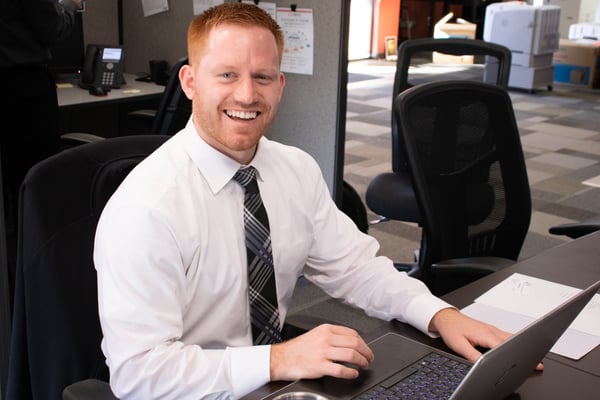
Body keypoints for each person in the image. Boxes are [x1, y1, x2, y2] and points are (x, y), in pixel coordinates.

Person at [94, 3, 520, 399]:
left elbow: (355, 268)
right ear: (190, 82)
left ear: (280, 85)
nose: (246, 95)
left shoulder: (293, 169)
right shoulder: (145, 208)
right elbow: (139, 374)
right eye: (226, 75)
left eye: (262, 77)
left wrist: (440, 315)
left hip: (276, 383)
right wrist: (278, 358)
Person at [0, 0, 82, 297]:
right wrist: (70, 8)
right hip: (23, 91)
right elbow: (50, 28)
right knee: (35, 188)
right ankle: (39, 284)